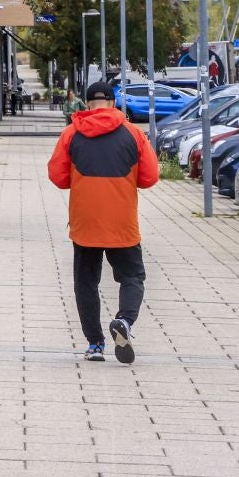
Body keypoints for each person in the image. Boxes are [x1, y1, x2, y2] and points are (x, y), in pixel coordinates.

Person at [47, 81, 158, 363]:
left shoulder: (71, 134)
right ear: (113, 103)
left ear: (87, 104)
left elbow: (58, 177)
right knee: (132, 277)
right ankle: (125, 321)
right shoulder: (133, 134)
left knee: (86, 282)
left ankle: (95, 344)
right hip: (123, 222)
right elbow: (149, 178)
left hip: (85, 222)